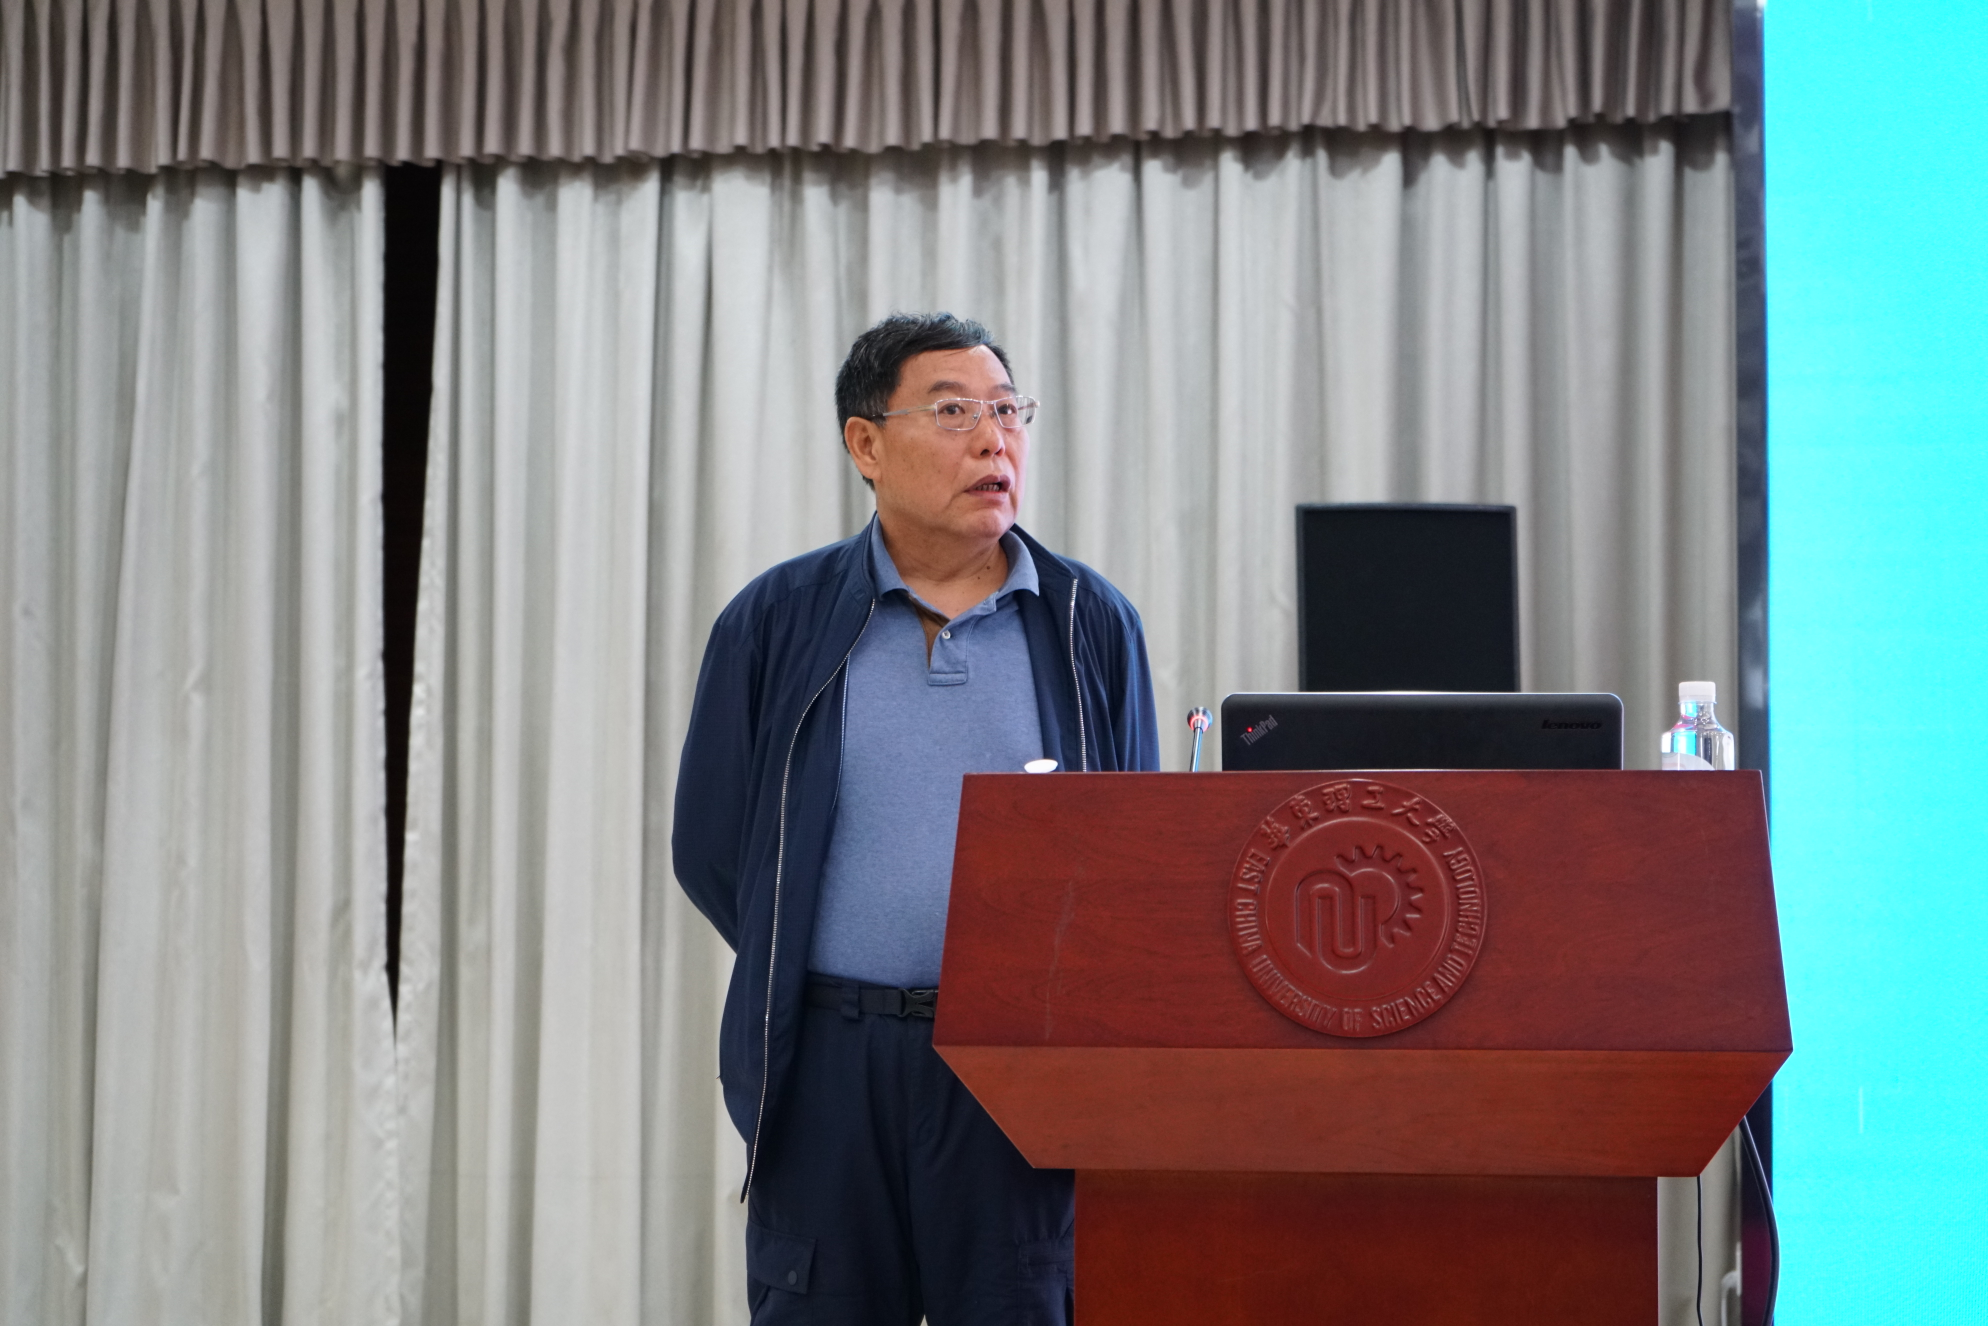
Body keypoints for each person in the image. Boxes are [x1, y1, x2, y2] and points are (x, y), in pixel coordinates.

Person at [673, 312, 1161, 1324]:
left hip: (1020, 1069)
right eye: (952, 413)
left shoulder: (1087, 621)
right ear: (865, 443)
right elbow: (714, 848)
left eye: (1007, 412)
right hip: (827, 1065)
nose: (993, 441)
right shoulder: (776, 620)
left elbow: (1131, 854)